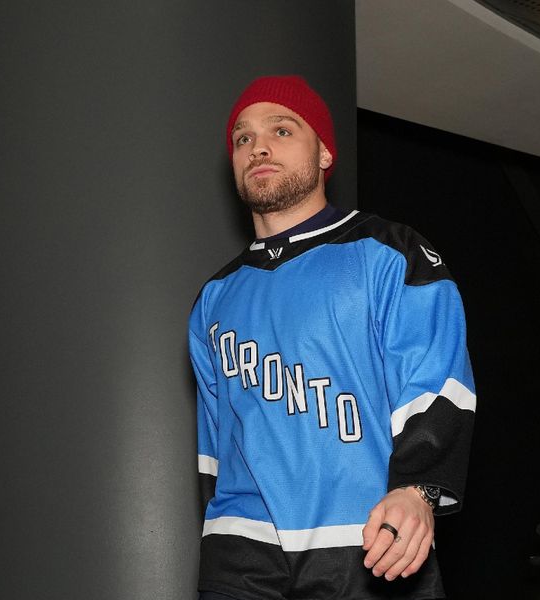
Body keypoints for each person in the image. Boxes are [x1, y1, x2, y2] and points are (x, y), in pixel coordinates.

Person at [188, 75, 476, 600]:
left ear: (323, 152)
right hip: (238, 549)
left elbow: (438, 382)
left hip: (367, 543)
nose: (258, 148)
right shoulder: (214, 297)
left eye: (282, 129)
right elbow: (214, 442)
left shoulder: (391, 253)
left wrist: (418, 491)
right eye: (243, 138)